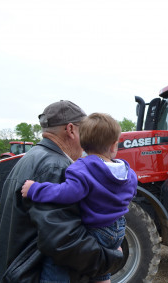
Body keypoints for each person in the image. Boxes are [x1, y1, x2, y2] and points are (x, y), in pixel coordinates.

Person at [0, 101, 123, 283]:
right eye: (84, 131)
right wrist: (111, 257)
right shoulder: (56, 167)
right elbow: (64, 242)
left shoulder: (29, 158)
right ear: (70, 130)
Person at [21, 112, 137, 283]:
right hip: (119, 228)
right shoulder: (128, 171)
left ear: (82, 146)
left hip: (97, 229)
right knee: (102, 271)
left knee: (68, 261)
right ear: (114, 146)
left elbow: (67, 193)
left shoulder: (83, 167)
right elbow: (131, 193)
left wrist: (35, 189)